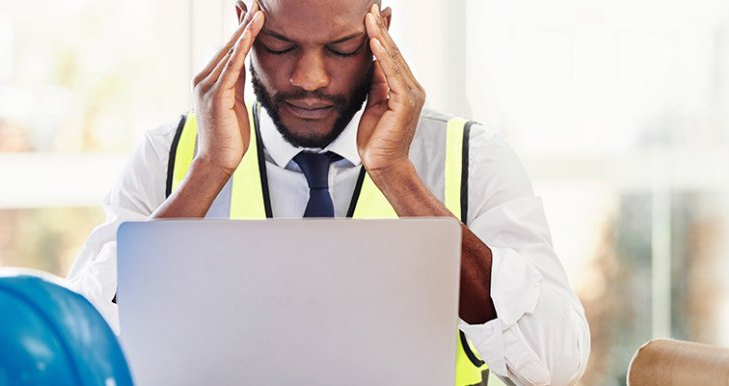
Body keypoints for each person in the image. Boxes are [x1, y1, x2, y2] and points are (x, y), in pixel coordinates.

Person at [66, 0, 590, 385]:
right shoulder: (170, 158)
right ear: (243, 24)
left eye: (341, 49)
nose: (309, 78)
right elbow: (75, 343)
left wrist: (399, 177)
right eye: (278, 46)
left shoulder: (471, 156)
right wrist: (207, 172)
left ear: (381, 28)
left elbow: (556, 360)